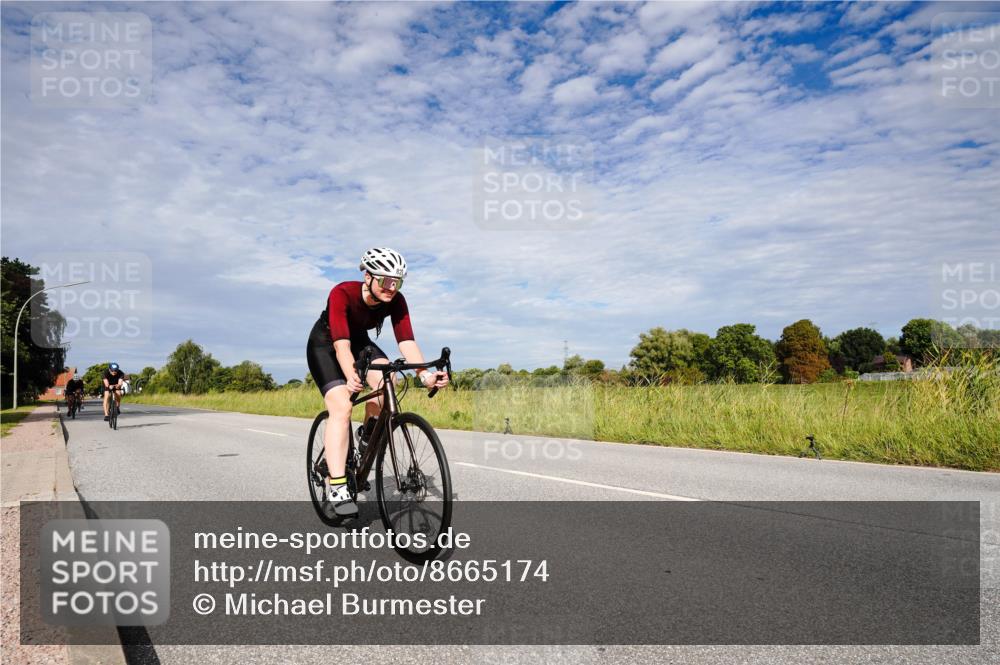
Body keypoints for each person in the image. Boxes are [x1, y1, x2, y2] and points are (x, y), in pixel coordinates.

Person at [306, 247, 448, 517]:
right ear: (368, 276)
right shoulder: (342, 293)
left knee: (389, 378)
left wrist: (426, 376)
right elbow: (341, 346)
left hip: (360, 344)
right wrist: (351, 375)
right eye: (385, 281)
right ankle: (337, 486)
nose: (391, 288)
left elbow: (406, 342)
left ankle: (368, 433)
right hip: (326, 344)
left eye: (397, 282)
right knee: (342, 407)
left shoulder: (396, 300)